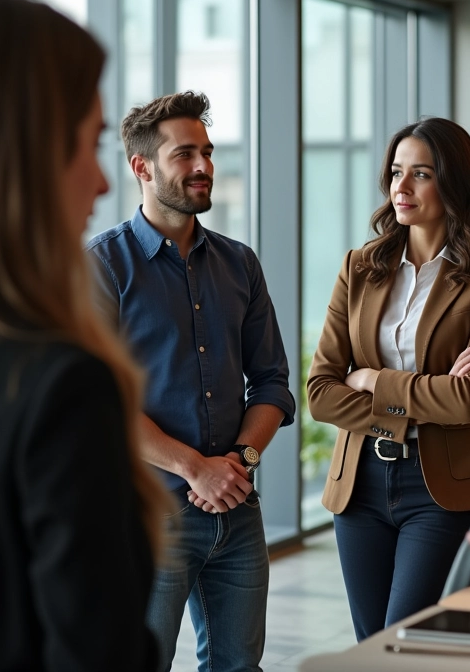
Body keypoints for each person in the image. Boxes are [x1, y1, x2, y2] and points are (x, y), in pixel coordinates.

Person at [0, 0, 169, 670]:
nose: (100, 183)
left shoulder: (237, 265)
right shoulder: (59, 389)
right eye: (89, 144)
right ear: (26, 155)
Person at [86, 91, 295, 672]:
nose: (203, 166)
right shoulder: (102, 267)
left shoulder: (240, 264)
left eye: (206, 151)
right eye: (185, 154)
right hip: (150, 518)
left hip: (238, 510)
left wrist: (238, 463)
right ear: (142, 167)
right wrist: (193, 467)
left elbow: (273, 383)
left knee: (238, 667)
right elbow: (98, 404)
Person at [307, 116, 470, 641]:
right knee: (369, 643)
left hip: (440, 485)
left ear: (454, 182)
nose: (401, 187)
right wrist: (428, 392)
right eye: (397, 172)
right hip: (359, 485)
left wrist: (372, 380)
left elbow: (469, 398)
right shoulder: (360, 266)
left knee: (404, 641)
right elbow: (320, 393)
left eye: (420, 173)